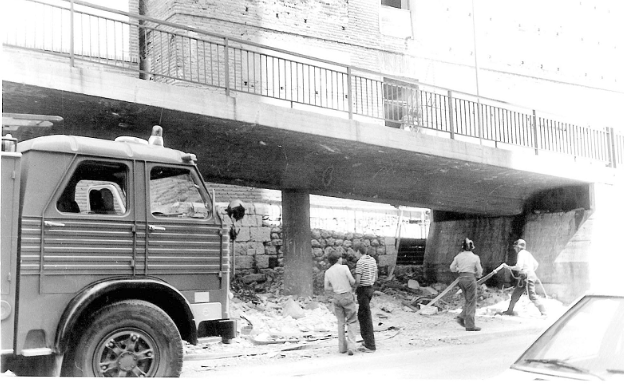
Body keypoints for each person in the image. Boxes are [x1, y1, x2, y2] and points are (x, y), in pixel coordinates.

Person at [324, 250, 357, 356]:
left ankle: (342, 347)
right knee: (351, 320)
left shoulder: (328, 272)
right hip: (347, 295)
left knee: (340, 322)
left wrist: (335, 287)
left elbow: (326, 288)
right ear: (339, 259)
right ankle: (351, 346)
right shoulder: (344, 268)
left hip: (336, 297)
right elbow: (352, 281)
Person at [502, 239, 547, 316]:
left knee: (532, 296)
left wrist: (508, 267)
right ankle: (509, 311)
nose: (515, 249)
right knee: (515, 295)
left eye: (515, 248)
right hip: (528, 276)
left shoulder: (521, 253)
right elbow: (536, 264)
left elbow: (519, 267)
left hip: (527, 277)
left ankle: (544, 312)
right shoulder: (528, 253)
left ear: (518, 247)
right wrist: (531, 270)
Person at [449, 238, 483, 331]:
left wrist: (459, 270)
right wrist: (477, 275)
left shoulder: (458, 256)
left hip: (461, 279)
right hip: (470, 279)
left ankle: (461, 317)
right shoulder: (475, 257)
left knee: (468, 300)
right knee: (471, 302)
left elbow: (452, 268)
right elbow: (480, 271)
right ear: (472, 247)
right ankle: (470, 325)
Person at [354, 243, 377, 353]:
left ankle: (370, 345)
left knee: (365, 317)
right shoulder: (372, 260)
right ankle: (367, 340)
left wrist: (353, 287)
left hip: (363, 290)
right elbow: (375, 276)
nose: (355, 255)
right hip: (370, 289)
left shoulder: (360, 262)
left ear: (358, 251)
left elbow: (358, 281)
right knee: (363, 314)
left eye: (355, 252)